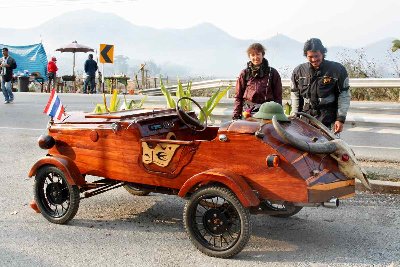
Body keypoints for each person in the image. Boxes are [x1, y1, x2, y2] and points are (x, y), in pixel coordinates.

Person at [290, 38, 350, 134]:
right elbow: (295, 96)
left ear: (322, 53)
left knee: (330, 147)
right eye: (310, 57)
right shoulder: (298, 71)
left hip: (328, 120)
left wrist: (340, 119)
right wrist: (294, 117)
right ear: (306, 55)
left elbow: (344, 95)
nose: (314, 59)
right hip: (305, 119)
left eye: (316, 56)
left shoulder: (337, 69)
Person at [233, 43, 282, 120]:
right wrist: (236, 115)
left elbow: (278, 96)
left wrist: (279, 114)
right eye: (252, 55)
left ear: (262, 55)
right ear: (249, 56)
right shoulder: (245, 73)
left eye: (258, 54)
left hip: (268, 112)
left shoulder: (272, 73)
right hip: (248, 112)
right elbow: (238, 96)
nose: (255, 57)